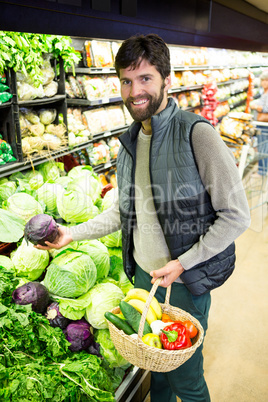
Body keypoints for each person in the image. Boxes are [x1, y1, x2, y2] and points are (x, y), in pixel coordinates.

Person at [37, 34, 251, 401]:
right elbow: (125, 212)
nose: (134, 90)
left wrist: (182, 264)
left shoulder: (196, 134)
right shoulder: (131, 141)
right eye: (126, 80)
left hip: (183, 286)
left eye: (145, 78)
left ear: (166, 80)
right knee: (157, 373)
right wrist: (71, 234)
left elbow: (237, 217)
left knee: (187, 379)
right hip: (143, 281)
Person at [250, 70, 268, 176]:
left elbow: (266, 108)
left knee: (263, 148)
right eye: (263, 80)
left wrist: (255, 106)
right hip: (261, 124)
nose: (264, 83)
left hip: (264, 125)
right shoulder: (263, 92)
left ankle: (262, 171)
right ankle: (263, 168)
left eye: (267, 80)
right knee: (263, 147)